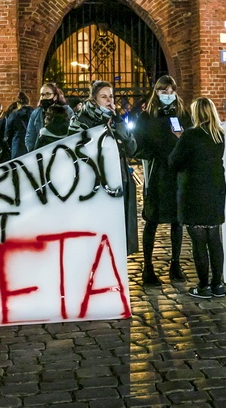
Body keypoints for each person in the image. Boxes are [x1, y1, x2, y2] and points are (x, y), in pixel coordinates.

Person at [69, 80, 139, 255]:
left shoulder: (115, 120)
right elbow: (74, 150)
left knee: (119, 233)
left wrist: (119, 123)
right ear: (94, 99)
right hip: (95, 184)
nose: (109, 100)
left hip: (118, 180)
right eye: (104, 97)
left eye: (111, 96)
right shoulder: (81, 119)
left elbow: (132, 148)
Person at [134, 75, 192, 285]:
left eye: (170, 91)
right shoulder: (146, 117)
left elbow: (190, 139)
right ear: (156, 92)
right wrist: (154, 152)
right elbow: (138, 145)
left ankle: (175, 264)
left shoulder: (183, 115)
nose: (167, 95)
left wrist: (182, 140)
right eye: (163, 91)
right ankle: (147, 267)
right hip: (158, 173)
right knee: (152, 219)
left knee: (178, 221)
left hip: (177, 173)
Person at [169, 98, 226, 299]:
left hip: (194, 192)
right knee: (214, 238)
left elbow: (174, 162)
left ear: (197, 114)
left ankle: (203, 285)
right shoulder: (219, 135)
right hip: (216, 190)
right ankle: (217, 284)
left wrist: (179, 139)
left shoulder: (190, 136)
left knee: (199, 241)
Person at [25, 82, 74, 153]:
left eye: (47, 94)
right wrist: (33, 152)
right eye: (42, 95)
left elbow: (72, 132)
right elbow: (30, 135)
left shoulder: (67, 111)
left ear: (55, 96)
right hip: (41, 152)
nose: (44, 97)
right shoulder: (36, 113)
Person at [4, 92, 33, 159]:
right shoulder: (34, 113)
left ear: (17, 103)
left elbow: (7, 133)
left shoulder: (14, 115)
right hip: (31, 146)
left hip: (17, 145)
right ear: (28, 103)